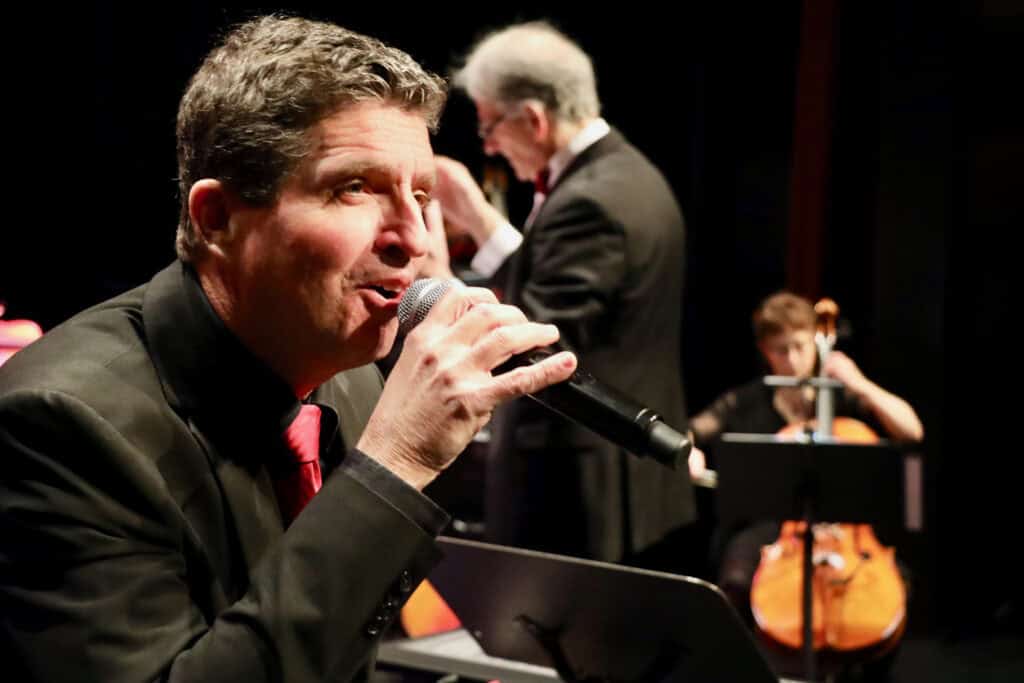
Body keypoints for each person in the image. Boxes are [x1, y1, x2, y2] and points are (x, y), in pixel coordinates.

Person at [0, 16, 577, 683]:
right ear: (217, 218)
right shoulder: (58, 426)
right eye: (354, 187)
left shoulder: (348, 372)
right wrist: (393, 467)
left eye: (420, 195)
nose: (415, 240)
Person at [423, 21, 696, 571]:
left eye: (490, 126)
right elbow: (560, 289)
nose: (488, 145)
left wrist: (437, 279)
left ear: (533, 118)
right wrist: (477, 216)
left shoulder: (589, 202)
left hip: (577, 490)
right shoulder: (627, 175)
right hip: (624, 476)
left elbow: (538, 346)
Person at [687, 290, 924, 620]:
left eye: (800, 346)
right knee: (736, 578)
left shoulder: (840, 395)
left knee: (895, 586)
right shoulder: (745, 401)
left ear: (815, 341)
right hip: (771, 526)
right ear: (764, 350)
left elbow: (912, 430)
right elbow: (691, 431)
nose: (792, 359)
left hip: (841, 524)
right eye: (780, 350)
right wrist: (689, 451)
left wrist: (859, 382)